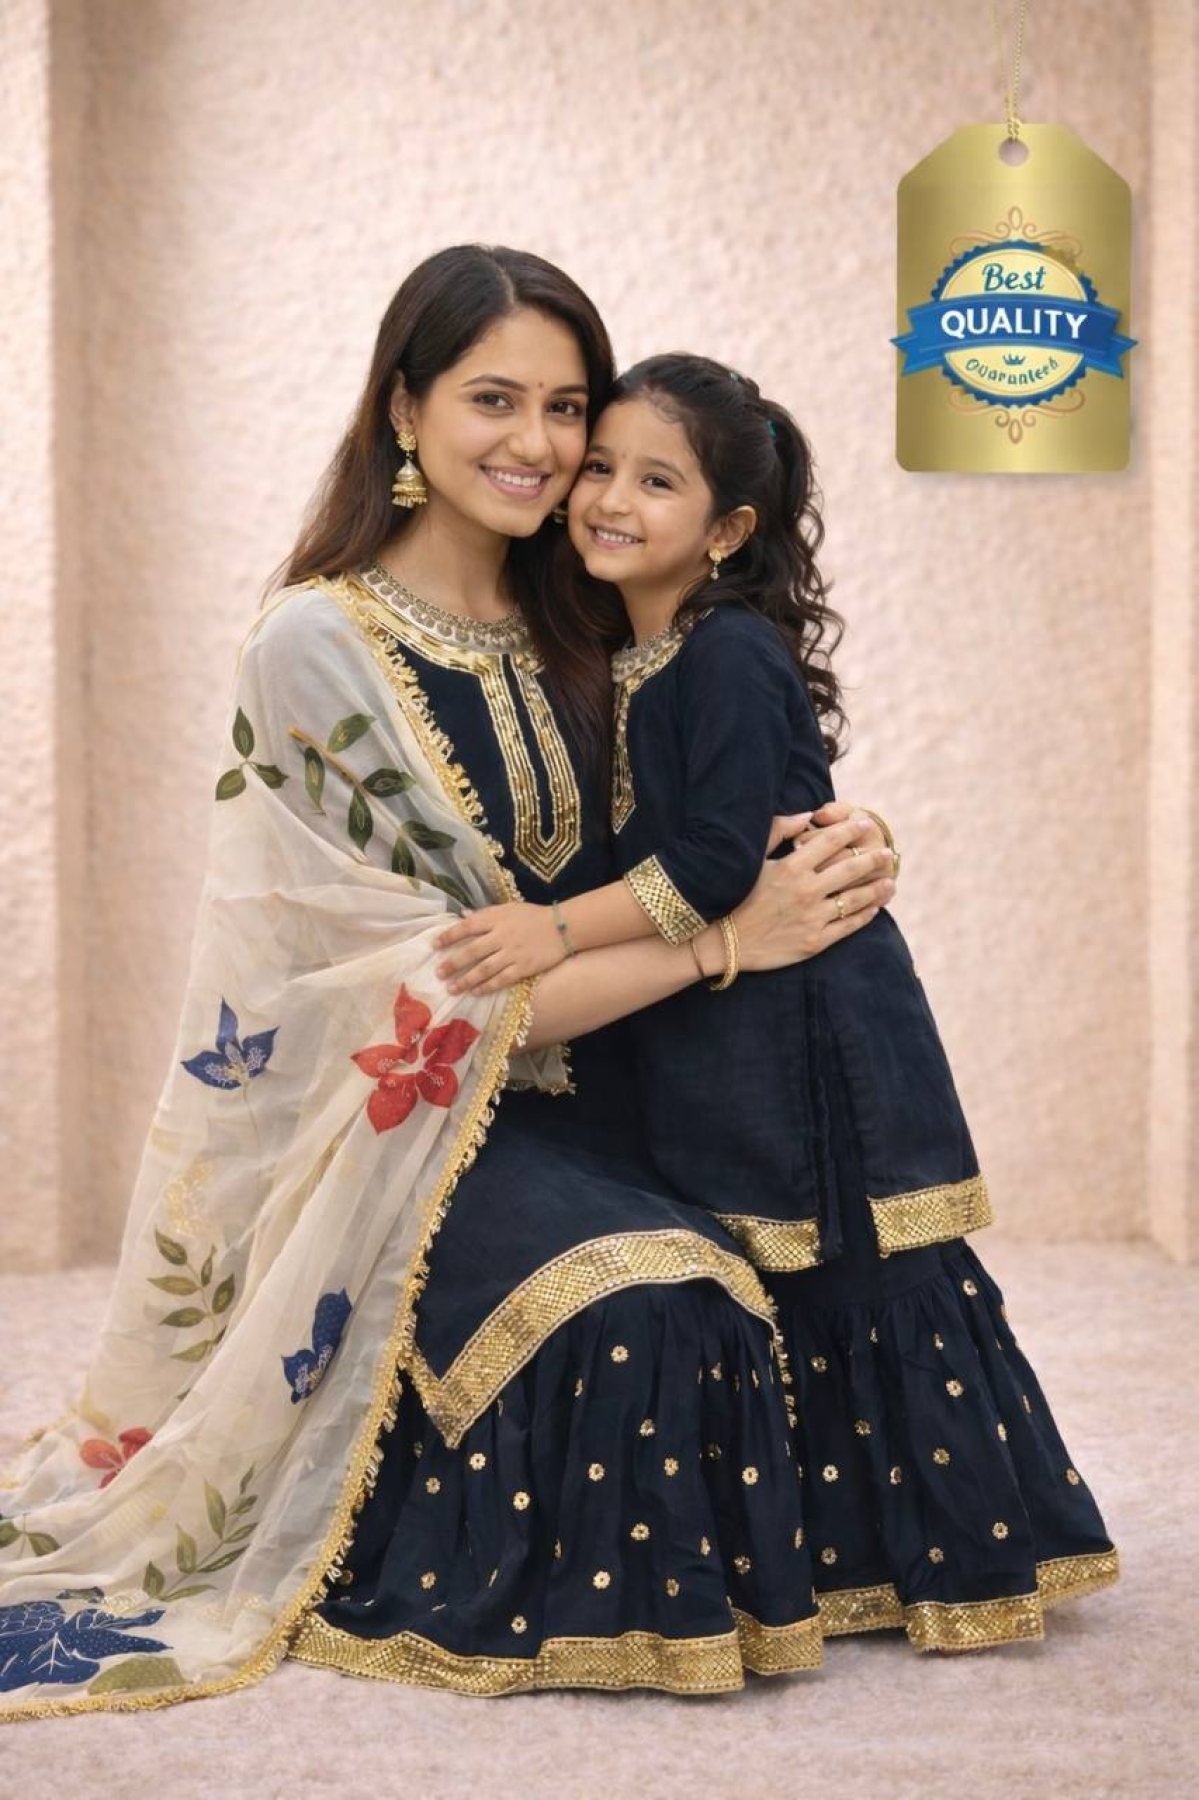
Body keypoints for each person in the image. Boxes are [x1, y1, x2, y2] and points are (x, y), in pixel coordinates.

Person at [0, 249, 897, 1720]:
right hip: (415, 1136)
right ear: (405, 409)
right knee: (650, 1314)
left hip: (648, 1088)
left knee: (837, 1262)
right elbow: (424, 1009)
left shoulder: (596, 610)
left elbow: (738, 816)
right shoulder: (317, 648)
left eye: (567, 407)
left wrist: (842, 848)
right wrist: (727, 942)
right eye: (494, 399)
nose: (538, 444)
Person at [434, 352, 1118, 1650]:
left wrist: (550, 929)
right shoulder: (631, 654)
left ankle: (956, 1571)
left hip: (810, 1026)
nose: (608, 498)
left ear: (728, 529)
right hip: (725, 1020)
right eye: (601, 468)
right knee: (772, 1277)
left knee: (857, 1272)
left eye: (657, 481)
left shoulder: (728, 652)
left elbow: (712, 866)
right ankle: (828, 1556)